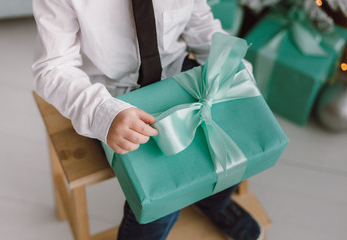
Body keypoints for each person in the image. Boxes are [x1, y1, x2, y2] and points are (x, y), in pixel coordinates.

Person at [31, 0, 263, 239]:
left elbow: (201, 25)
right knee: (164, 191)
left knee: (234, 138)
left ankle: (214, 203)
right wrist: (103, 114)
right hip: (111, 98)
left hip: (176, 71)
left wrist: (233, 69)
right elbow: (52, 67)